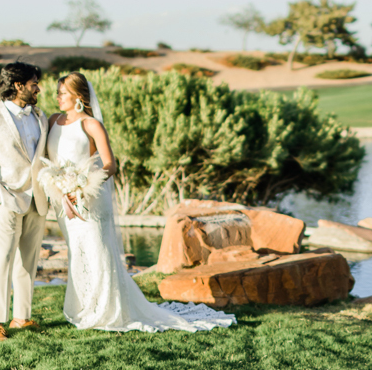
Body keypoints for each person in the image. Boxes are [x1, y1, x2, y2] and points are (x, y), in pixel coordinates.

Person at [45, 72, 235, 333]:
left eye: (62, 93)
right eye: (57, 93)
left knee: (97, 251)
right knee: (77, 252)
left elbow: (110, 165)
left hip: (88, 199)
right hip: (62, 199)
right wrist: (61, 186)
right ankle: (83, 307)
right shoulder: (53, 121)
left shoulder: (91, 125)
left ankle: (106, 310)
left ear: (78, 96)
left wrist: (82, 186)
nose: (57, 97)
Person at [0, 62, 50, 341]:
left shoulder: (40, 116)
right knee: (3, 260)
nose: (38, 87)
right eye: (34, 83)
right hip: (6, 200)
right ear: (18, 86)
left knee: (29, 261)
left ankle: (22, 317)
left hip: (38, 200)